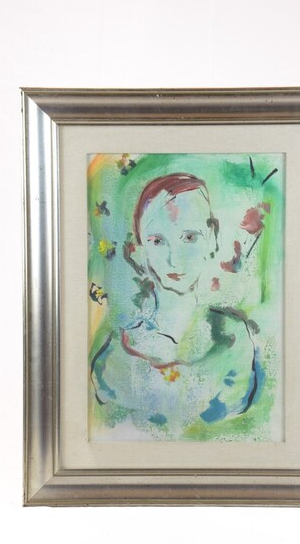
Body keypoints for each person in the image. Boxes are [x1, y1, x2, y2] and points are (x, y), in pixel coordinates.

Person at [90, 172, 260, 439]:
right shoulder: (115, 356)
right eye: (158, 241)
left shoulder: (232, 338)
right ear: (139, 249)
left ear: (212, 237)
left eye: (189, 237)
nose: (174, 258)